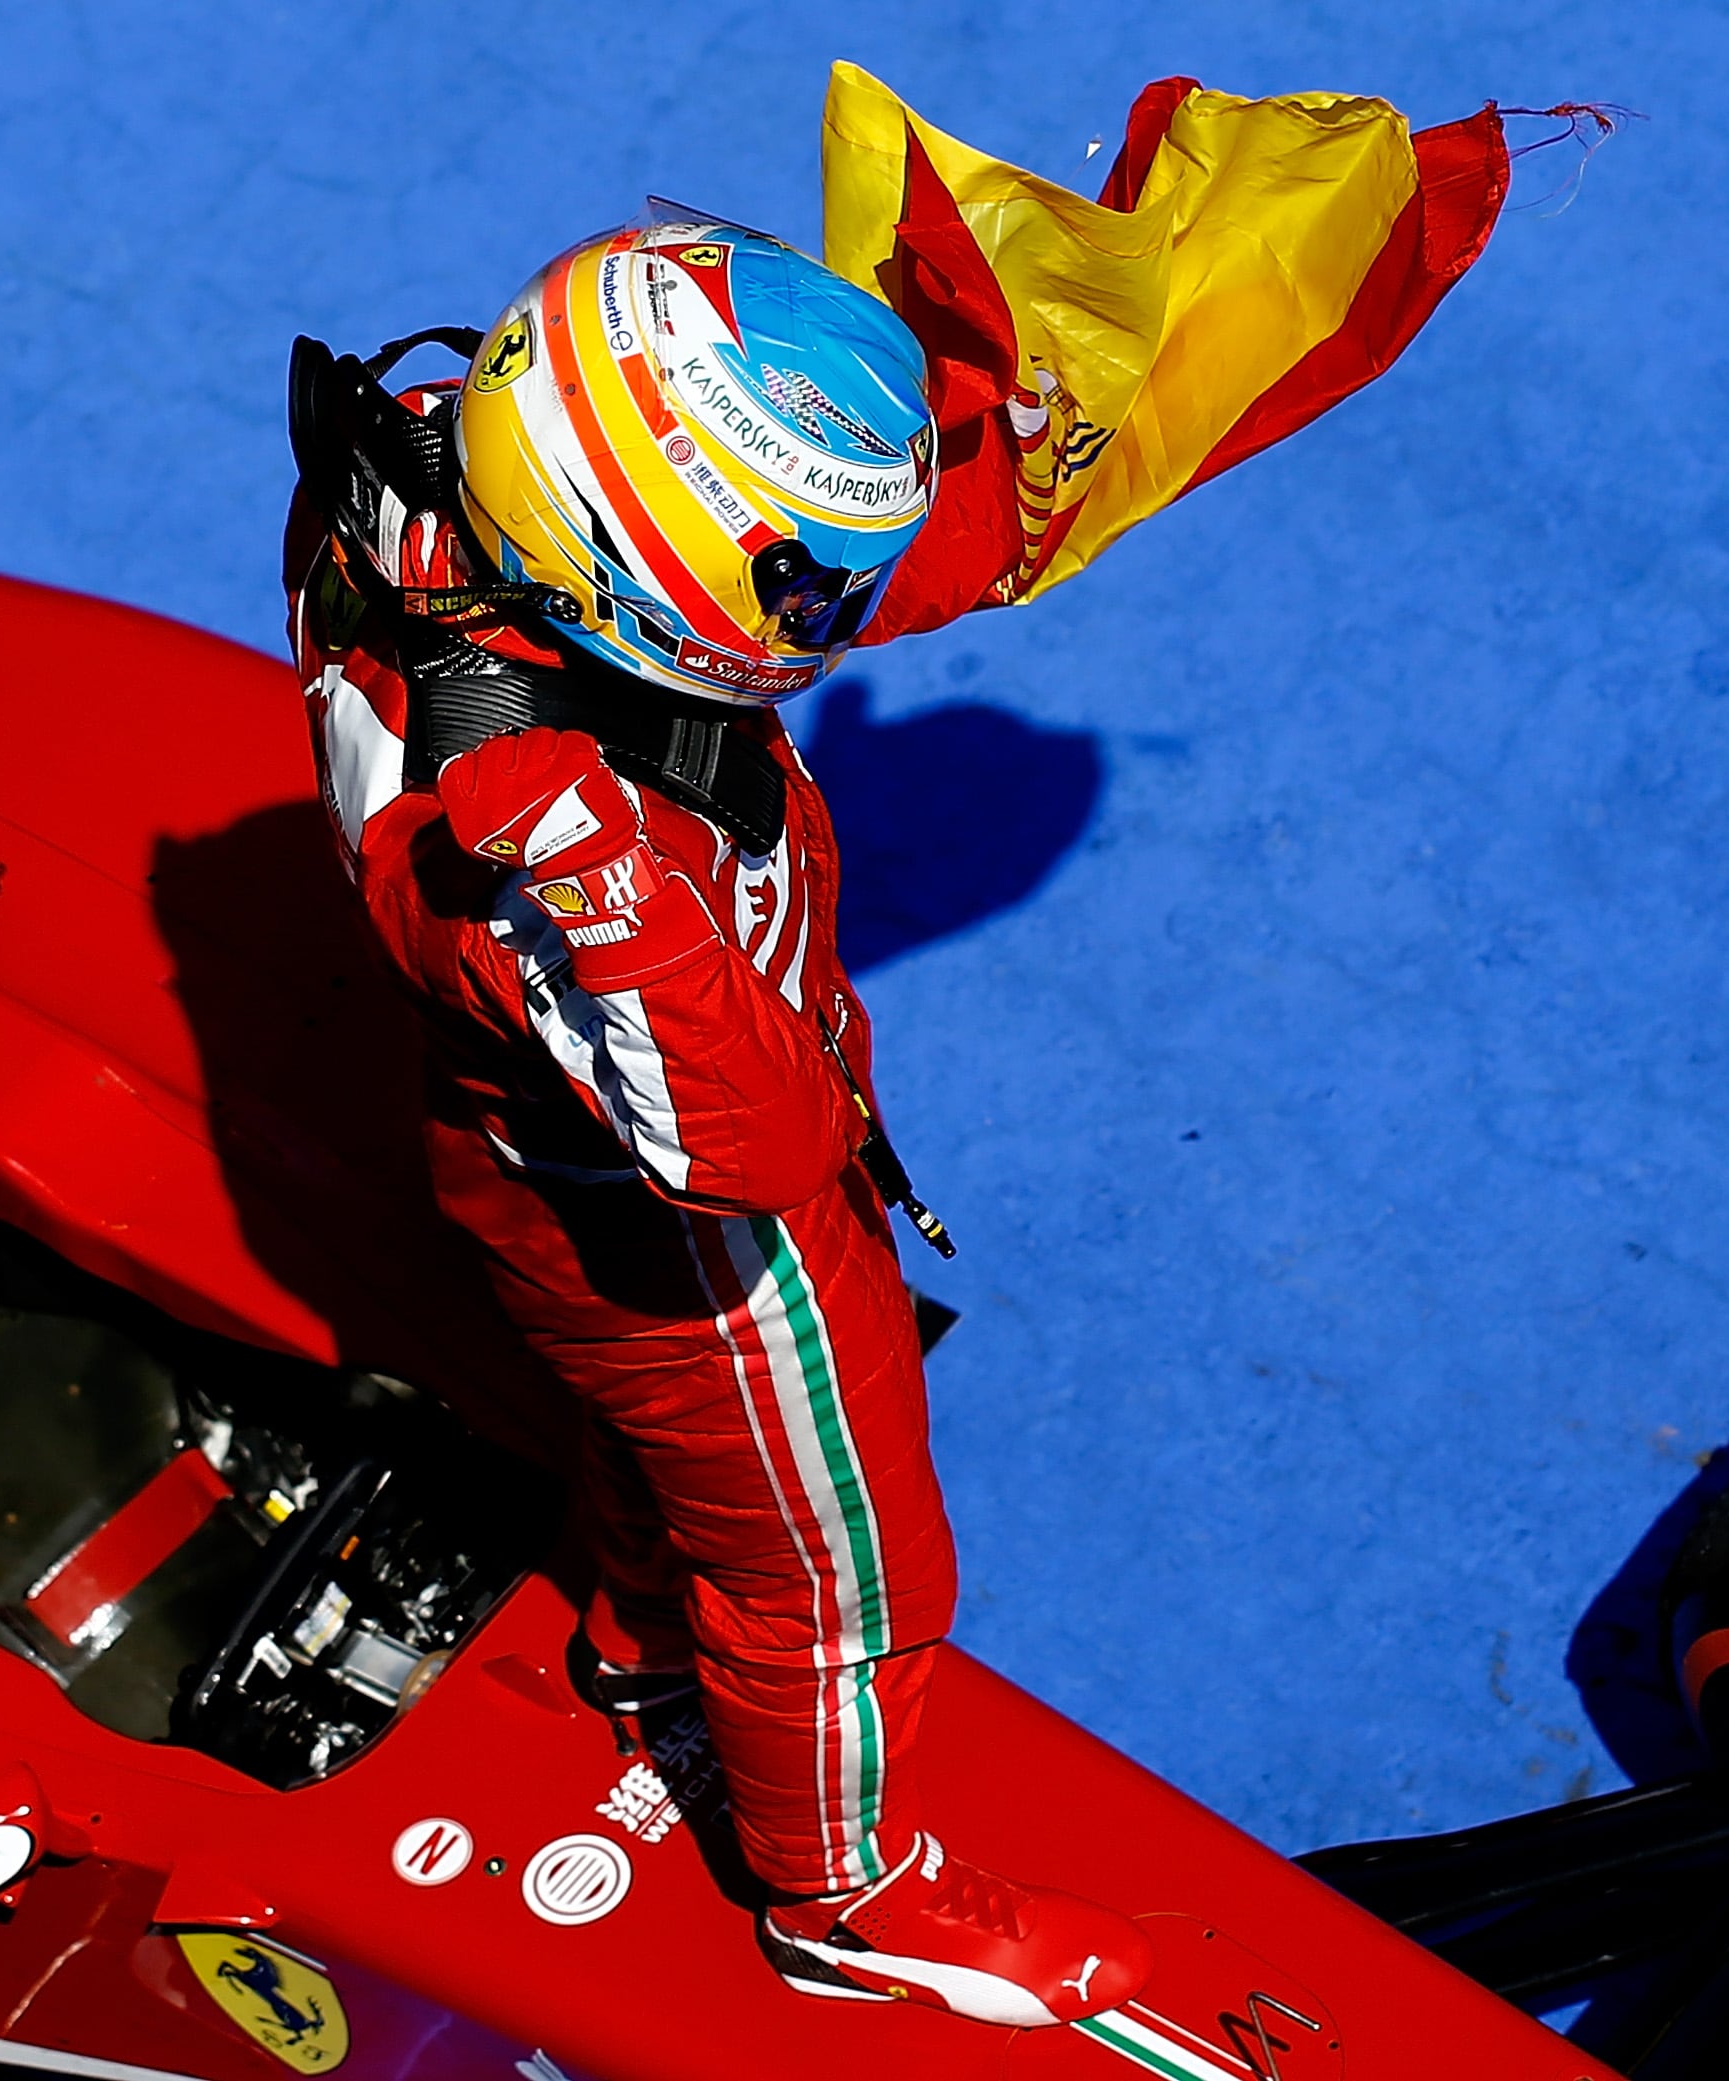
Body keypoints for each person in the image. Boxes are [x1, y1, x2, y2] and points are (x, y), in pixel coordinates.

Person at [282, 218, 1151, 2029]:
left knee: (642, 1449)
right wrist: (579, 844)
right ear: (618, 571)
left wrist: (939, 413)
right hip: (697, 1239)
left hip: (529, 1181)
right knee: (841, 1561)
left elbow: (658, 407)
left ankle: (642, 1648)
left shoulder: (447, 492)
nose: (827, 619)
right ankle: (849, 1894)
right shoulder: (524, 848)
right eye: (798, 586)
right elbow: (747, 1136)